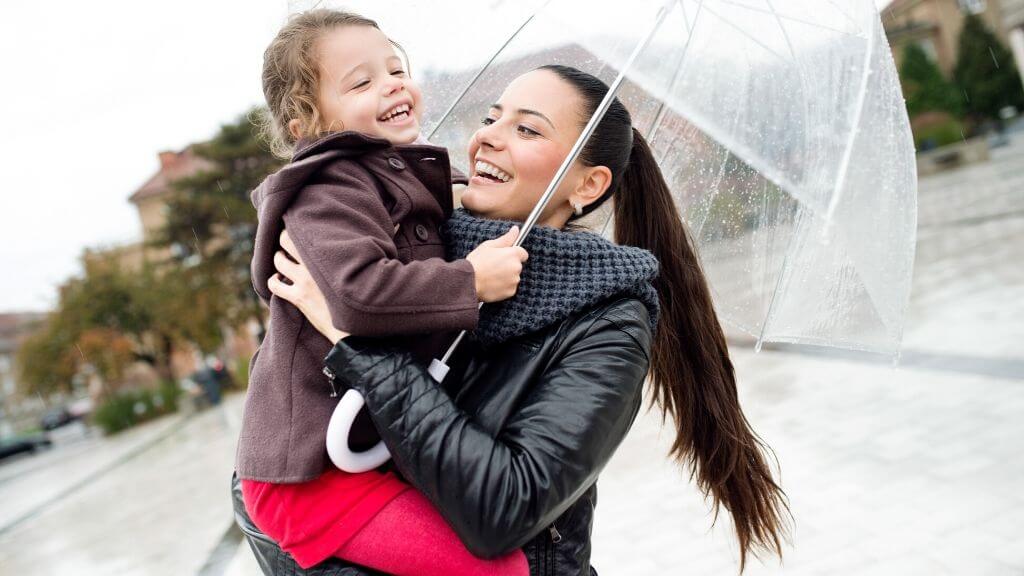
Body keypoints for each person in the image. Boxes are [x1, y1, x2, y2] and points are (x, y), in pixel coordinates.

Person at [241, 64, 792, 575]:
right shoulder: (403, 259)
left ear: (589, 186)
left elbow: (503, 508)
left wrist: (355, 338)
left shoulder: (606, 324)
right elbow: (271, 479)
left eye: (528, 130)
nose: (487, 137)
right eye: (490, 118)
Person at [236, 8, 530, 575]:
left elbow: (414, 227)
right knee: (503, 572)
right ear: (307, 122)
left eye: (396, 68)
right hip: (307, 477)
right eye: (362, 81)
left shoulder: (382, 175)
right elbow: (357, 292)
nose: (393, 83)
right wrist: (471, 279)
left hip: (355, 453)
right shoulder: (324, 189)